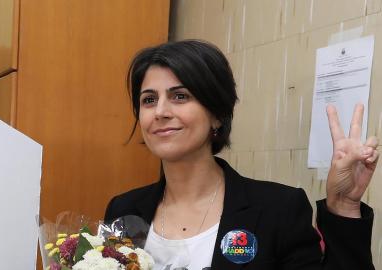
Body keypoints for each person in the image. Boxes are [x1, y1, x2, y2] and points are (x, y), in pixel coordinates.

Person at [104, 40, 379, 270]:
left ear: (216, 115)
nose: (161, 112)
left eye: (180, 96)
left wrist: (344, 206)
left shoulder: (279, 209)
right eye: (149, 100)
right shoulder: (123, 210)